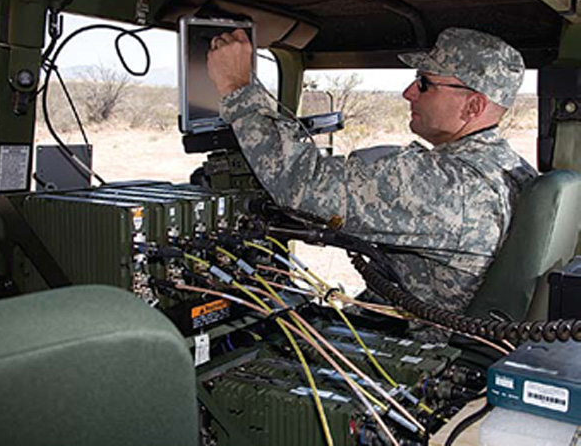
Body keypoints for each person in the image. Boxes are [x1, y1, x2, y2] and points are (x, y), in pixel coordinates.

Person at [206, 27, 537, 329]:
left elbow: (303, 183)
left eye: (425, 82)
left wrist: (238, 88)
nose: (409, 92)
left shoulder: (447, 185)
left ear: (473, 106)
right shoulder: (510, 168)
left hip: (412, 354)